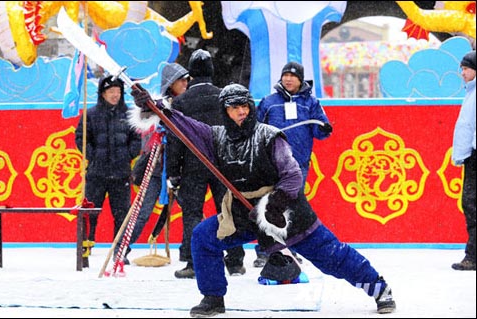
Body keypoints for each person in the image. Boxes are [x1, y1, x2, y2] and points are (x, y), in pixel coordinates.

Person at [131, 83, 396, 317]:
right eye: (234, 108)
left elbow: (292, 175)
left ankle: (379, 289)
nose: (241, 112)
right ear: (225, 111)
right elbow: (185, 126)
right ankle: (212, 298)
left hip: (284, 212)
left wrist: (276, 205)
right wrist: (157, 109)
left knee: (331, 256)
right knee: (203, 237)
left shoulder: (269, 135)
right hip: (243, 213)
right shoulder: (216, 137)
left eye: (244, 106)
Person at [166, 49, 246, 278]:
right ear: (211, 71)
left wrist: (173, 171)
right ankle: (235, 260)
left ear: (191, 74)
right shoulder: (223, 97)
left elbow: (175, 138)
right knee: (228, 210)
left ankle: (193, 262)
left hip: (193, 163)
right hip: (222, 164)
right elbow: (236, 132)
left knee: (192, 213)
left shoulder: (181, 102)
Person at [255, 61, 333, 267]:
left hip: (298, 166)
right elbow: (255, 128)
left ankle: (290, 249)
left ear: (301, 79)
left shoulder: (311, 103)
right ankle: (264, 250)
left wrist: (324, 128)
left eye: (293, 76)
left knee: (290, 206)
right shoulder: (269, 102)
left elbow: (320, 130)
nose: (288, 79)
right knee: (267, 204)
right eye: (285, 75)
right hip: (271, 164)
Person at [114, 62, 190, 265]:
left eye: (186, 79)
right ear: (170, 83)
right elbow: (144, 116)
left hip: (182, 167)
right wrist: (144, 103)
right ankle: (121, 249)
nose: (185, 83)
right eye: (180, 80)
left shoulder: (190, 103)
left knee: (191, 210)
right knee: (142, 211)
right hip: (157, 167)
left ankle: (189, 251)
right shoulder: (157, 104)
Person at [75, 75, 141, 254]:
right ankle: (86, 246)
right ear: (102, 94)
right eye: (111, 91)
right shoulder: (91, 114)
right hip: (97, 173)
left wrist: (127, 154)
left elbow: (136, 139)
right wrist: (93, 155)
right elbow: (81, 138)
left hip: (121, 174)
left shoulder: (129, 115)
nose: (115, 95)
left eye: (118, 92)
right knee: (91, 212)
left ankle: (120, 250)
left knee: (121, 214)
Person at [451, 50, 476, 271]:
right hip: (471, 154)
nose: (462, 73)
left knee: (471, 203)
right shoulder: (471, 92)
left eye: (466, 68)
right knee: (470, 203)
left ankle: (473, 255)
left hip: (475, 154)